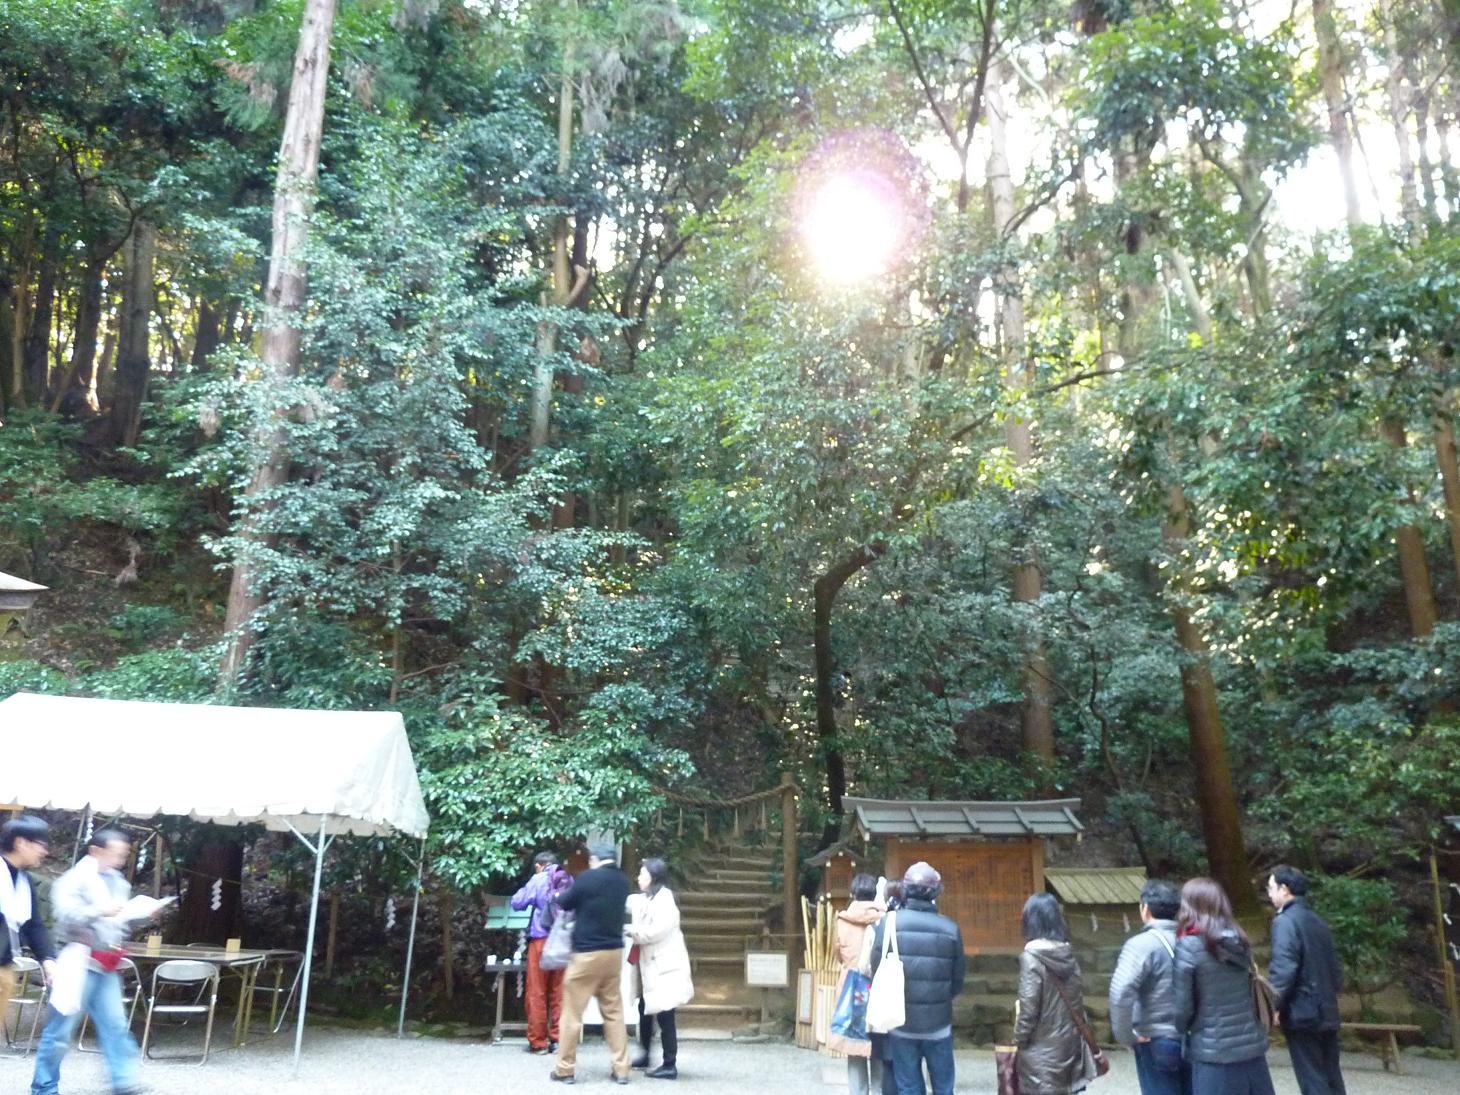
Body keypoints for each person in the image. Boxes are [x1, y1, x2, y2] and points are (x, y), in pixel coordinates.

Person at [31, 829, 159, 1095]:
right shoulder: (73, 879)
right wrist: (100, 910)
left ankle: (123, 1081)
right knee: (60, 1030)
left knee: (115, 1025)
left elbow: (120, 919)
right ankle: (44, 1087)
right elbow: (65, 914)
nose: (119, 859)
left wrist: (142, 913)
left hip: (107, 962)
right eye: (115, 853)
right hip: (77, 961)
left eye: (123, 855)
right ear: (95, 851)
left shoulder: (119, 882)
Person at [1172, 877, 1275, 1095]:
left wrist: (1182, 1029)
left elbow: (1183, 1009)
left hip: (1214, 1053)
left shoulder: (1188, 945)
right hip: (1252, 1049)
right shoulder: (1240, 940)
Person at [869, 862, 964, 1095]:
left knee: (909, 1087)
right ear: (935, 892)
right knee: (943, 1087)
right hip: (938, 1023)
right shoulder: (950, 929)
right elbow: (957, 980)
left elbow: (876, 968)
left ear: (905, 890)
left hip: (901, 1021)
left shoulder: (888, 924)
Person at [552, 841, 632, 1086]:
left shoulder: (587, 878)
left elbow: (566, 901)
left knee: (572, 1013)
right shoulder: (623, 881)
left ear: (594, 859)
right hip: (614, 953)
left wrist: (557, 895)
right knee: (614, 1012)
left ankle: (565, 1069)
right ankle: (621, 1069)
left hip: (587, 954)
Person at [1266, 866, 1345, 1095]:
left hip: (1302, 1012)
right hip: (1327, 1008)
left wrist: (1274, 1005)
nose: (1268, 894)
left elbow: (1284, 969)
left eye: (1271, 888)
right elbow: (1335, 970)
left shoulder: (1285, 922)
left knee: (1312, 1079)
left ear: (1284, 889)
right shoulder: (1318, 921)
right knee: (1331, 1076)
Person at [1109, 879, 1188, 1095]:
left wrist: (1126, 1035)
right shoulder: (1191, 941)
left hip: (1155, 1039)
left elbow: (1121, 992)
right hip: (1192, 1038)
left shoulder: (1140, 945)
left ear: (1145, 909)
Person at [1015, 893, 1091, 1095]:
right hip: (1070, 1047)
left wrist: (1019, 1041)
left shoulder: (1031, 958)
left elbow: (1029, 1010)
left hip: (1042, 1053)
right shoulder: (1067, 954)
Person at [625, 857, 693, 1080]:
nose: (639, 878)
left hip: (665, 968)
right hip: (652, 968)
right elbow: (628, 902)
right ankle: (645, 1055)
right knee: (645, 1010)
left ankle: (669, 1064)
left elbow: (654, 932)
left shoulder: (665, 901)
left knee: (665, 1015)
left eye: (642, 874)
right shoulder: (647, 898)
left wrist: (631, 931)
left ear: (653, 877)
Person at [829, 873, 884, 1095]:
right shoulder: (883, 920)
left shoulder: (842, 921)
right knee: (879, 1045)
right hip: (878, 986)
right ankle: (879, 1090)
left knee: (854, 1046)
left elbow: (837, 954)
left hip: (851, 989)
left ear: (853, 894)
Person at [512, 850, 572, 1054]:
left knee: (537, 991)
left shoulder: (538, 879)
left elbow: (517, 902)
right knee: (560, 991)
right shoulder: (568, 880)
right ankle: (559, 1040)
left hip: (541, 940)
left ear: (539, 866)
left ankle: (538, 1042)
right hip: (563, 941)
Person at [2, 816, 56, 1027]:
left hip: (5, 967)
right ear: (21, 843)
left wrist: (48, 959)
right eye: (40, 845)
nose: (44, 851)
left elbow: (34, 924)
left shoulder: (25, 881)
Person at [871, 880, 904, 1095]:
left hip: (889, 1001)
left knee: (890, 1063)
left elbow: (874, 961)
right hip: (915, 1005)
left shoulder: (885, 924)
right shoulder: (921, 920)